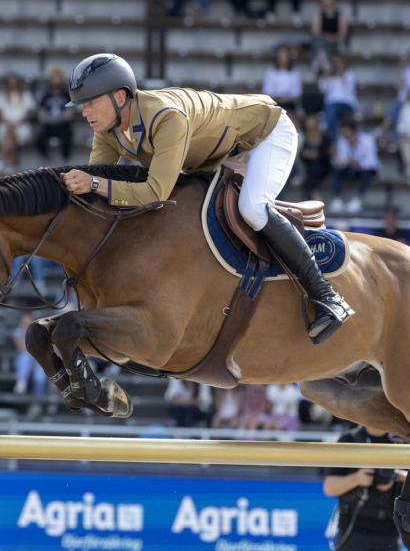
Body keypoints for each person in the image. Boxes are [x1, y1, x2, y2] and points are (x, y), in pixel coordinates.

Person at [63, 52, 353, 344]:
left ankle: (327, 296)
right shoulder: (108, 129)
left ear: (120, 97)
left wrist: (95, 182)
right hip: (220, 155)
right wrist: (60, 182)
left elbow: (154, 193)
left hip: (266, 134)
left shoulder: (166, 117)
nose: (85, 112)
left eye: (90, 103)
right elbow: (92, 182)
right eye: (82, 105)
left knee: (252, 208)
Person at [322, 425, 407, 551]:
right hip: (353, 526)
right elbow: (329, 487)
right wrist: (356, 479)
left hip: (389, 529)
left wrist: (394, 475)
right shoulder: (350, 440)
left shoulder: (400, 442)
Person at [330, 121, 379, 216]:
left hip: (366, 169)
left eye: (349, 135)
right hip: (351, 169)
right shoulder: (343, 141)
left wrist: (357, 162)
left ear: (355, 132)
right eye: (345, 135)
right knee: (337, 171)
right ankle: (338, 199)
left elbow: (372, 162)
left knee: (366, 172)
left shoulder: (368, 140)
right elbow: (340, 161)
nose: (347, 138)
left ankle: (358, 200)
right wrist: (335, 157)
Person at [0, 72, 35, 173]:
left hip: (21, 126)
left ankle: (1, 159)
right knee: (10, 132)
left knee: (10, 132)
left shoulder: (26, 95)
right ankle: (12, 163)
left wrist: (16, 123)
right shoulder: (2, 96)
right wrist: (9, 123)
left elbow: (28, 113)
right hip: (5, 125)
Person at [35, 68, 75, 163]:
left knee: (67, 137)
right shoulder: (46, 95)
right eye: (54, 78)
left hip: (63, 126)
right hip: (49, 126)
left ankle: (65, 159)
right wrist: (54, 119)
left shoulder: (66, 95)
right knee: (39, 138)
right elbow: (41, 115)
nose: (56, 81)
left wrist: (55, 119)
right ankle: (46, 158)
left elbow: (69, 114)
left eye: (58, 78)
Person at [319, 53, 358, 145]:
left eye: (339, 62)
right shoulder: (329, 76)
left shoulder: (349, 74)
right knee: (333, 115)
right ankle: (333, 140)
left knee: (332, 110)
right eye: (335, 62)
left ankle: (324, 124)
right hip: (331, 105)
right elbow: (322, 88)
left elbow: (350, 89)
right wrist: (327, 73)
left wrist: (341, 74)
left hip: (346, 103)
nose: (337, 64)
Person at [310, 0, 348, 76]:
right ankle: (327, 68)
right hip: (322, 41)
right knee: (320, 49)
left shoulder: (340, 14)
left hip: (335, 42)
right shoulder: (318, 14)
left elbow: (343, 32)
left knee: (321, 53)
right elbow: (315, 31)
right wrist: (326, 36)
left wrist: (335, 37)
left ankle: (316, 70)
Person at [262, 45, 303, 114]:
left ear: (288, 58)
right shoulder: (271, 72)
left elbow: (297, 93)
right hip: (275, 104)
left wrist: (287, 98)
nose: (283, 60)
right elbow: (267, 91)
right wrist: (277, 98)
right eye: (281, 57)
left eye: (285, 57)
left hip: (290, 105)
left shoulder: (294, 72)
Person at [299, 113, 329, 201]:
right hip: (311, 167)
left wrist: (317, 155)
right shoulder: (306, 138)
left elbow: (326, 154)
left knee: (311, 170)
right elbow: (302, 154)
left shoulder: (324, 137)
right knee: (311, 169)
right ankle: (314, 195)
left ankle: (312, 196)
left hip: (323, 167)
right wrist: (306, 155)